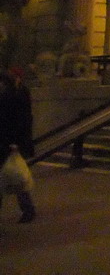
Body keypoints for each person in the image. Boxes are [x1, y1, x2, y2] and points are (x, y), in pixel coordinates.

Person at [0, 67, 36, 223]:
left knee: (16, 175)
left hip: (9, 143)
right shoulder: (14, 93)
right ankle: (28, 209)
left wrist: (17, 142)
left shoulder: (16, 94)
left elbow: (21, 120)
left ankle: (28, 209)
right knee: (14, 176)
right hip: (8, 142)